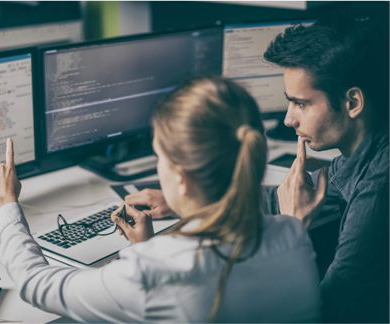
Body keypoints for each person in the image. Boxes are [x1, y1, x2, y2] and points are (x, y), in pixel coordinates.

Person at [0, 78, 321, 323]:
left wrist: (6, 206)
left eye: (159, 156)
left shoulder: (154, 270)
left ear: (180, 178)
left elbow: (35, 285)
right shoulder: (292, 233)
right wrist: (141, 248)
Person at [127, 16, 390, 324]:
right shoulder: (363, 152)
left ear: (352, 102)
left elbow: (328, 312)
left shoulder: (378, 187)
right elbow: (286, 196)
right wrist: (185, 200)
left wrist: (294, 227)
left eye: (301, 104)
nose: (290, 119)